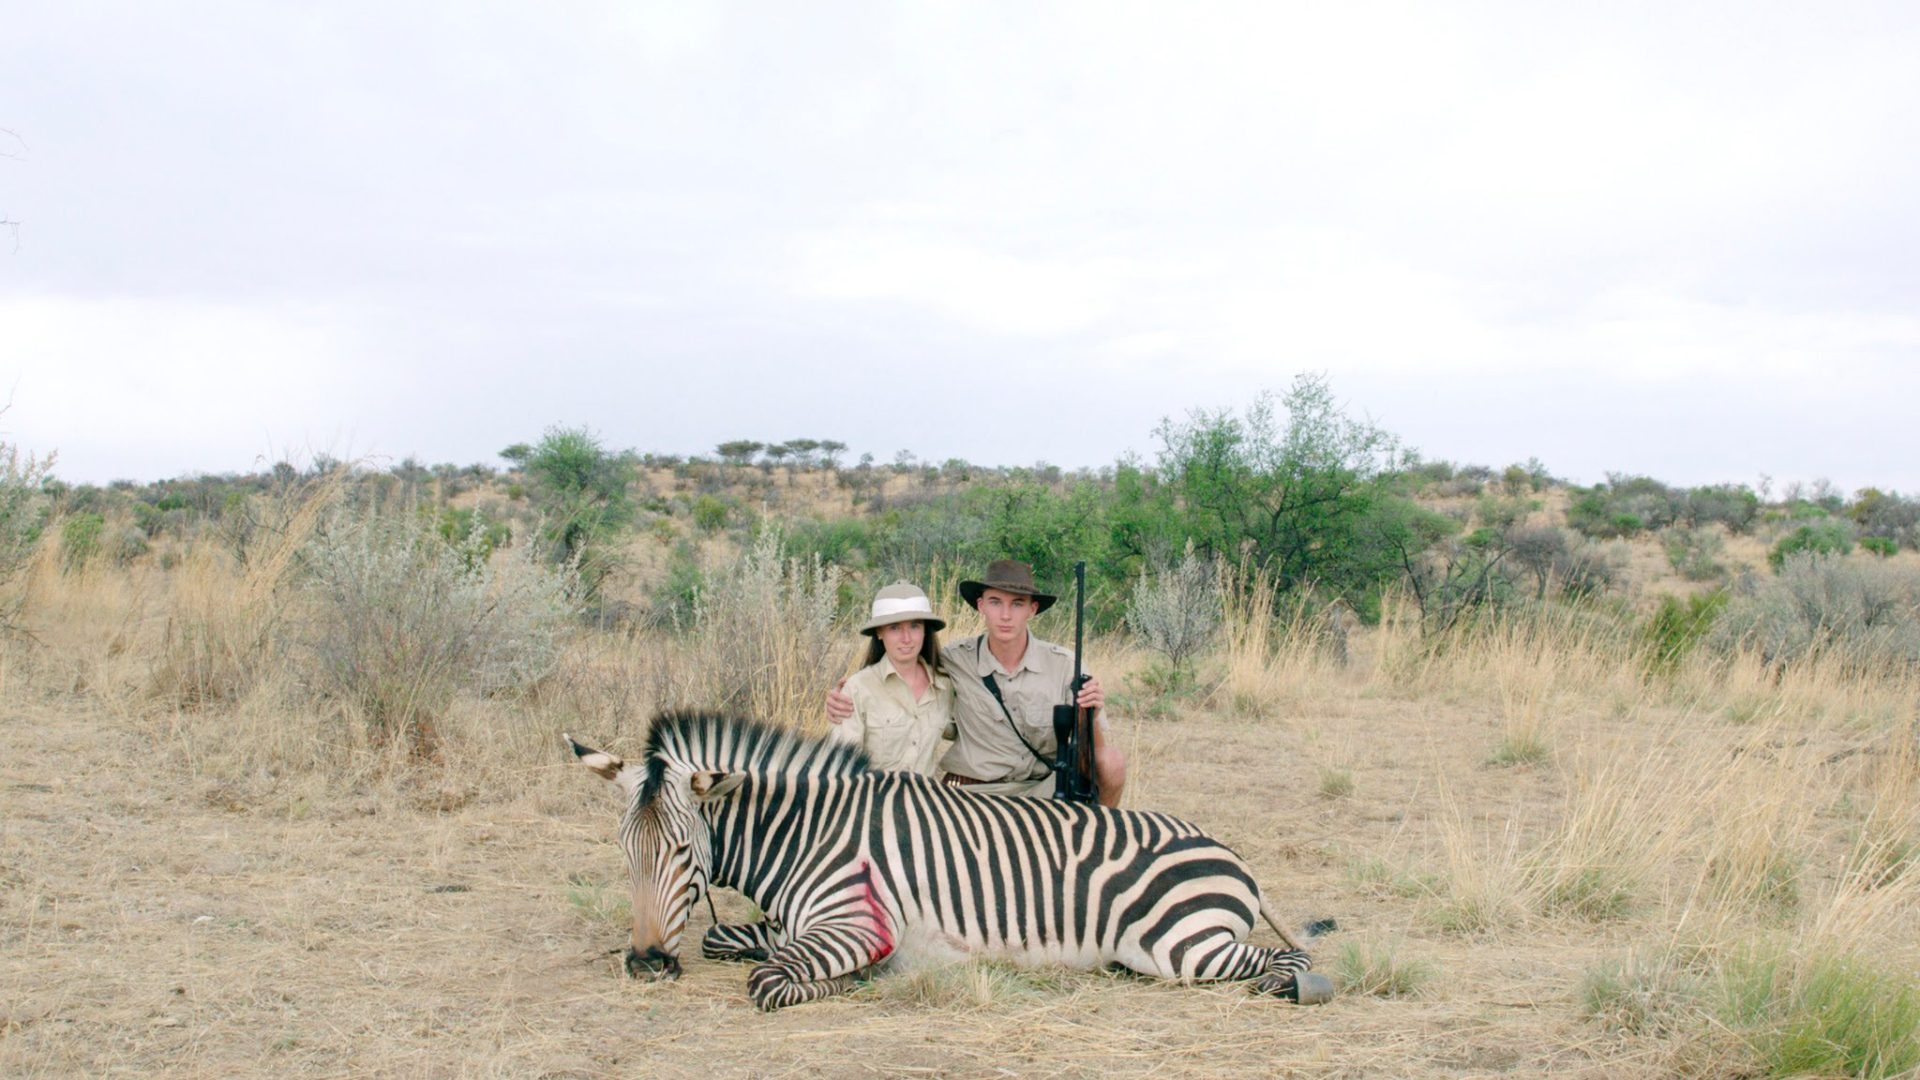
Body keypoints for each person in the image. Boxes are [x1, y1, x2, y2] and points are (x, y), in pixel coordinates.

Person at [829, 560, 1127, 805]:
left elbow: (1094, 751)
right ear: (981, 606)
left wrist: (1092, 710)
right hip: (976, 795)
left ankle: (1099, 840)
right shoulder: (955, 661)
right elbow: (899, 669)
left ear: (1032, 609)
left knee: (1112, 763)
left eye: (1017, 604)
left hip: (1043, 789)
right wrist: (843, 698)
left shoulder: (1064, 665)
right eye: (996, 603)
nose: (1006, 616)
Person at [825, 581, 956, 776]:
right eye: (894, 627)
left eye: (914, 626)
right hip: (873, 803)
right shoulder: (857, 689)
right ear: (879, 632)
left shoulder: (946, 686)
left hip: (926, 803)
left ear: (924, 630)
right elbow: (842, 770)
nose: (906, 638)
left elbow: (964, 734)